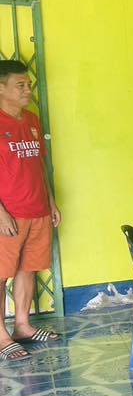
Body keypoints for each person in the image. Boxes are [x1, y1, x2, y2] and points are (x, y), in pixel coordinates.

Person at [0, 60, 62, 361]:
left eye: (28, 84)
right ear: (1, 89)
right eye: (20, 85)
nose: (28, 90)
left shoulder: (32, 120)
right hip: (9, 214)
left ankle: (23, 326)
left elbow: (40, 165)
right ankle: (2, 337)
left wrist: (50, 202)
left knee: (28, 268)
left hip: (38, 210)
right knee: (1, 275)